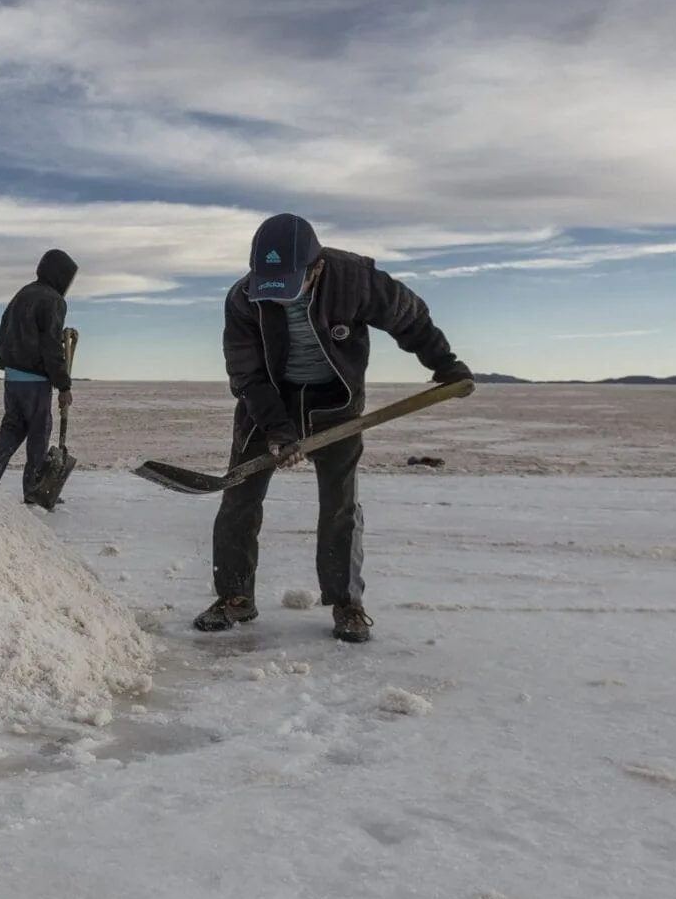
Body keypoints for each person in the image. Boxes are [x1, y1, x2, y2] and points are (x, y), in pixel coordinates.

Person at [194, 213, 472, 642]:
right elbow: (247, 375)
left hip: (336, 404)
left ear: (317, 267)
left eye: (290, 285)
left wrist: (444, 364)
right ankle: (235, 596)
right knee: (238, 499)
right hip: (268, 402)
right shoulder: (243, 298)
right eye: (270, 287)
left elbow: (410, 318)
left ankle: (346, 603)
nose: (279, 298)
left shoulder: (355, 279)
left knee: (340, 506)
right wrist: (277, 430)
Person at [0, 249, 77, 502]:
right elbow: (51, 346)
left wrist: (5, 363)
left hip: (12, 377)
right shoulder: (53, 300)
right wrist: (63, 386)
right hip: (35, 380)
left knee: (12, 427)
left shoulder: (23, 294)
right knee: (39, 432)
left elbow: (4, 328)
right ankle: (34, 489)